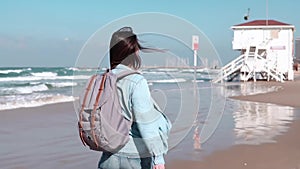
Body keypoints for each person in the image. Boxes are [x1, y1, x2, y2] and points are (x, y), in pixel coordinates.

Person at [98, 27, 171, 169]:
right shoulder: (136, 81)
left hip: (108, 157)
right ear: (133, 52)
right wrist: (158, 159)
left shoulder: (103, 79)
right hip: (133, 158)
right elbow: (146, 123)